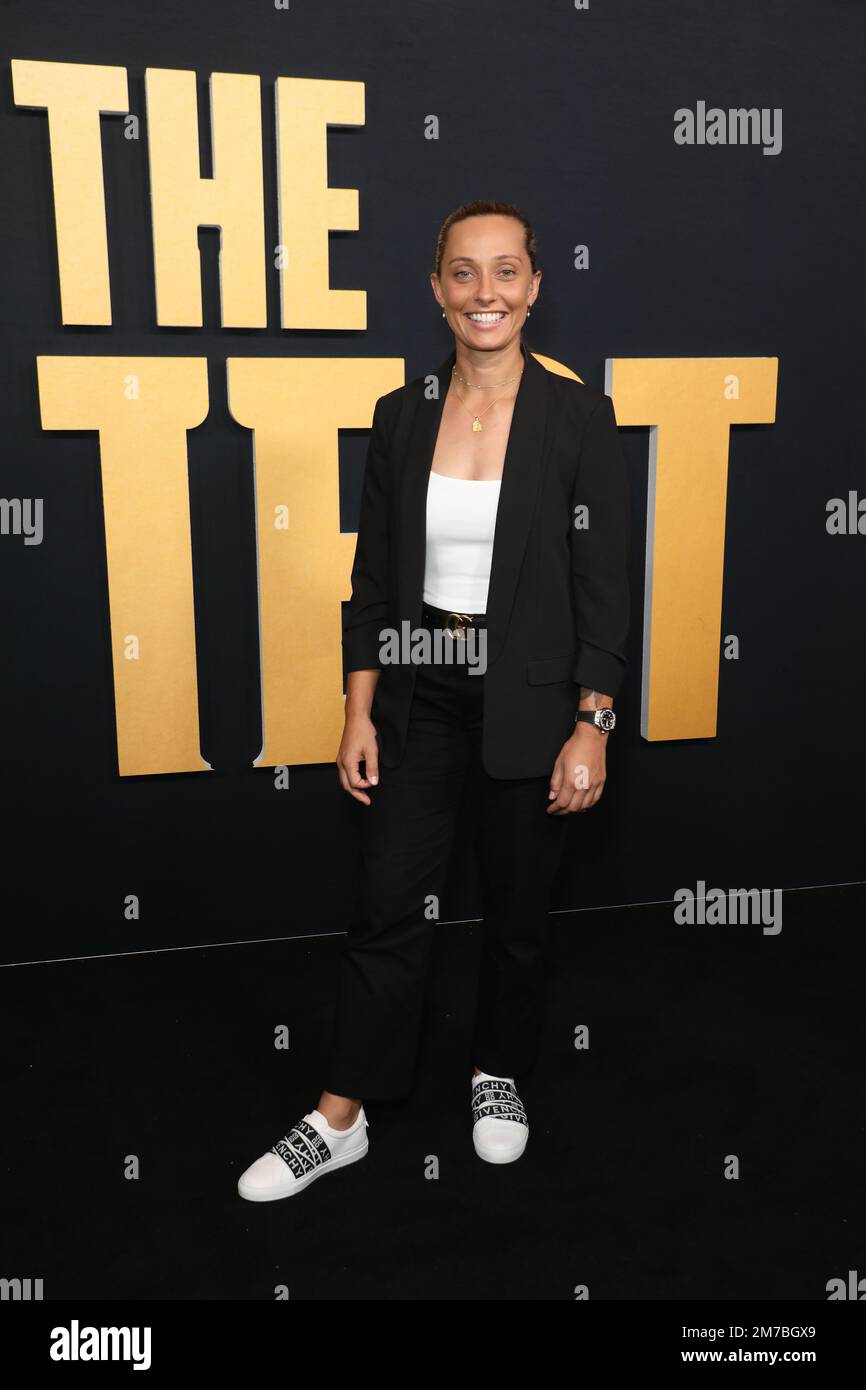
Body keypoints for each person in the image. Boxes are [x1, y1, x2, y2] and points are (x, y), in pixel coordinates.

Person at [237, 199, 631, 1201]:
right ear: (436, 289)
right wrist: (357, 708)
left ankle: (495, 1074)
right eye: (463, 273)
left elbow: (603, 585)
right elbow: (372, 578)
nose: (484, 292)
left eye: (504, 272)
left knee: (515, 911)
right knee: (385, 907)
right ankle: (343, 1114)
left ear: (534, 286)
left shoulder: (577, 415)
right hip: (417, 689)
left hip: (532, 699)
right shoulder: (400, 411)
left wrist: (591, 723)